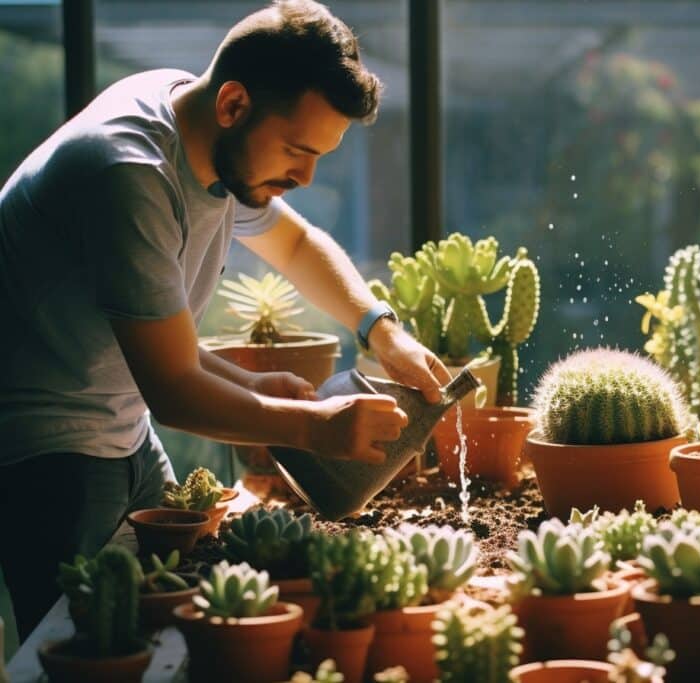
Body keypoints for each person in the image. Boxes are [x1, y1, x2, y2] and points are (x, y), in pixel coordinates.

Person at [0, 0, 450, 640]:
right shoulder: (130, 172)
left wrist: (382, 330)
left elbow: (293, 246)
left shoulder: (202, 128)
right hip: (48, 453)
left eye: (319, 155)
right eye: (297, 149)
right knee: (88, 648)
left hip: (121, 426)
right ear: (234, 104)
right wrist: (314, 429)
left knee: (174, 623)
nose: (306, 175)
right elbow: (175, 390)